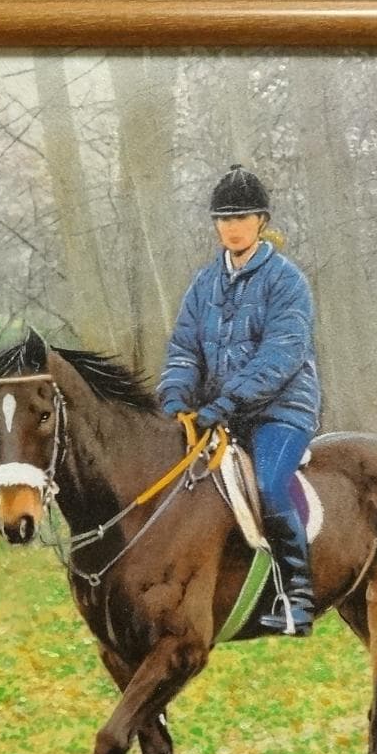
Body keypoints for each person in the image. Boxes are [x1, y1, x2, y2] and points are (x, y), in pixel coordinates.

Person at [158, 164, 321, 637]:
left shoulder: (286, 280)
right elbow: (184, 349)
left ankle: (297, 598)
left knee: (269, 486)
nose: (232, 227)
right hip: (218, 411)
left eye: (241, 217)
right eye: (224, 219)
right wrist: (175, 399)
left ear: (261, 221)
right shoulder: (203, 284)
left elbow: (281, 354)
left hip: (280, 410)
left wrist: (226, 402)